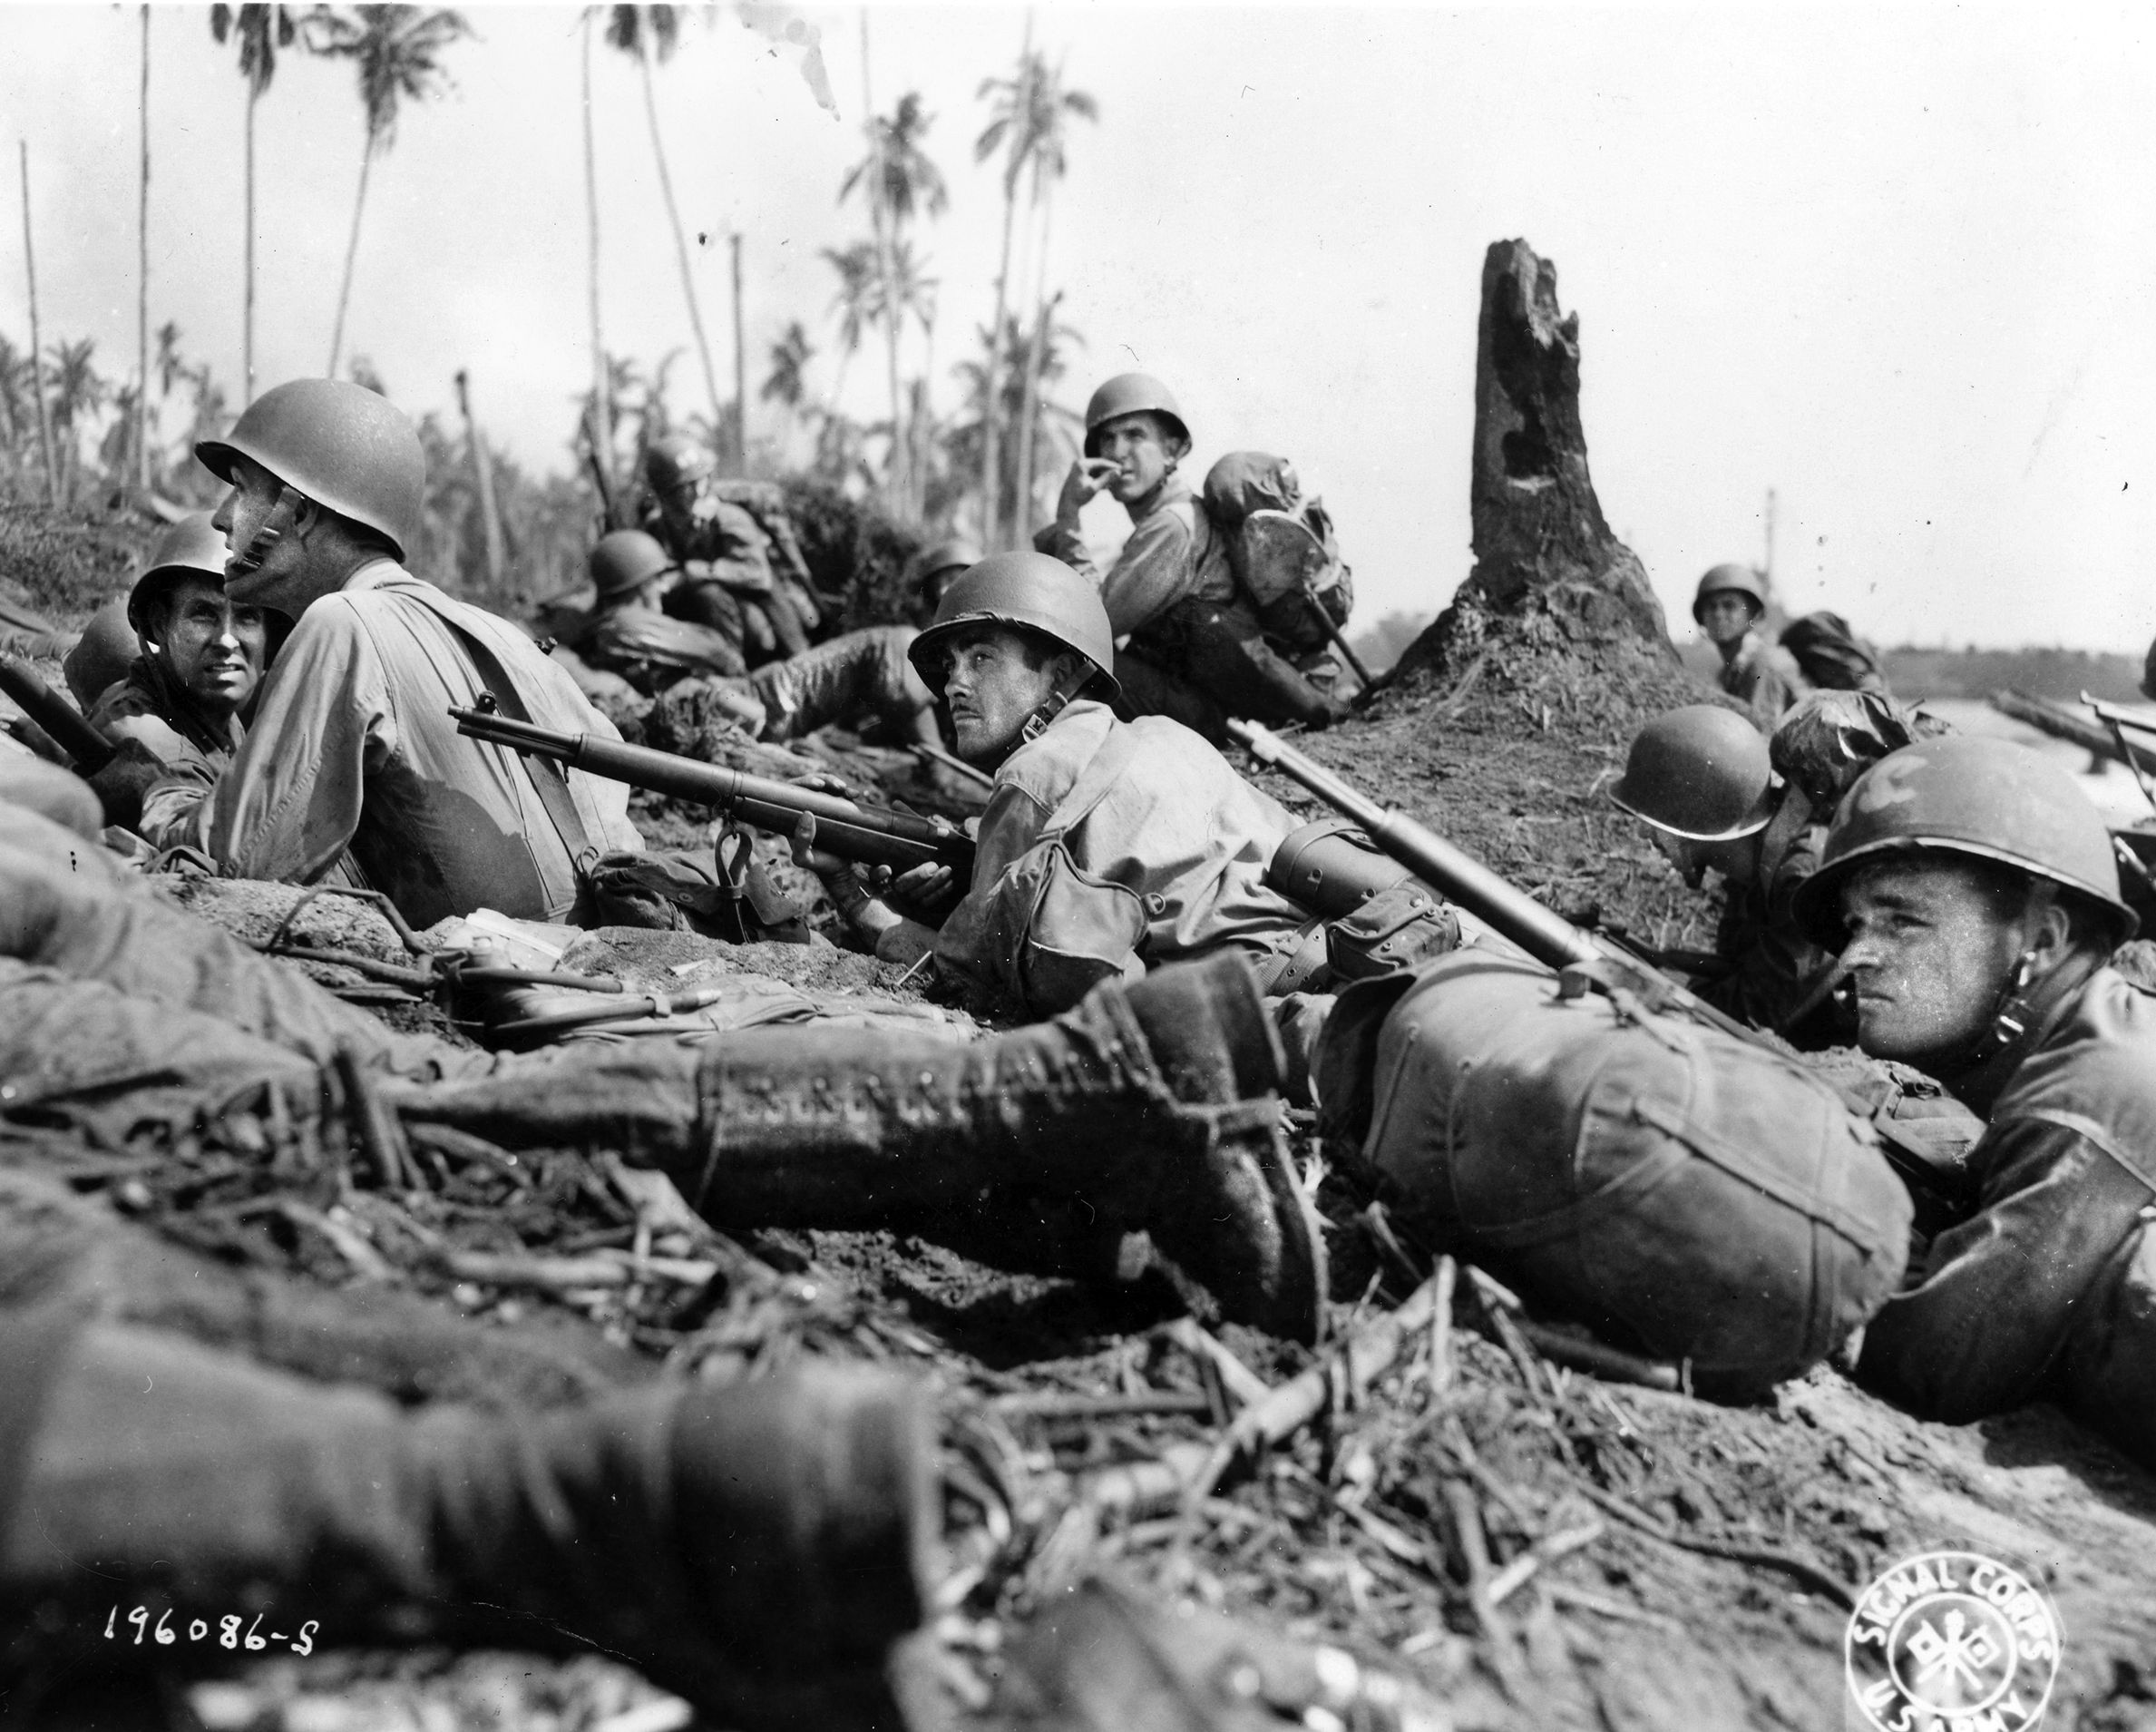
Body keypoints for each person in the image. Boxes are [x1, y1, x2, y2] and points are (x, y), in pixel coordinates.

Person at [0, 780, 1329, 1345]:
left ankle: (1075, 1109)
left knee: (436, 1120)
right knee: (439, 1102)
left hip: (51, 948)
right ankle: (1081, 1168)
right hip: (69, 921)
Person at [821, 552, 1456, 1020]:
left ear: (1062, 671)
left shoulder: (1035, 776)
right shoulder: (1166, 736)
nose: (955, 683)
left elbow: (962, 980)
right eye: (949, 666)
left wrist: (853, 898)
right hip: (1372, 955)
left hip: (1287, 1012)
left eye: (982, 657)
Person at [139, 378, 643, 928]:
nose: (222, 517)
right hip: (609, 957)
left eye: (241, 489)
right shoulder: (504, 636)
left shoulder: (344, 624)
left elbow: (240, 863)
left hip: (505, 980)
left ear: (298, 513)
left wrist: (163, 796)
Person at [1785, 736, 2156, 1463]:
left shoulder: (2091, 1092)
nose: (1855, 954)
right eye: (1857, 924)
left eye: (1903, 920)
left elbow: (1940, 1366)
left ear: (2039, 941)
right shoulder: (2084, 1036)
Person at [1034, 373, 1346, 737]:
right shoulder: (1175, 518)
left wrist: (1069, 516)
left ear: (1172, 450)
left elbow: (1091, 624)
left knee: (1071, 664)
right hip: (1206, 701)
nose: (1117, 452)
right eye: (1107, 438)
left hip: (1214, 715)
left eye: (1135, 435)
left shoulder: (1173, 526)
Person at [568, 528, 946, 752]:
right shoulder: (628, 625)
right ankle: (938, 764)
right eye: (656, 580)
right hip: (761, 698)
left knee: (885, 651)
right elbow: (715, 649)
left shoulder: (617, 629)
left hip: (751, 699)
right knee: (889, 645)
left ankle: (934, 757)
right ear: (641, 582)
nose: (661, 591)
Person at [83, 512, 270, 776]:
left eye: (247, 616)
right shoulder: (155, 749)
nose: (227, 640)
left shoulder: (215, 716)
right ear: (161, 624)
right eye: (204, 613)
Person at [641, 436, 825, 670]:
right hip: (707, 599)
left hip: (754, 590)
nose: (695, 492)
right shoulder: (657, 527)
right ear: (664, 495)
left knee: (794, 647)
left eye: (699, 482)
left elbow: (756, 574)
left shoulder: (727, 517)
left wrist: (696, 571)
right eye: (682, 489)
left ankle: (801, 664)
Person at [1693, 563, 1808, 725]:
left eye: (1729, 606)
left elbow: (1761, 735)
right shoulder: (1733, 670)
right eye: (1711, 607)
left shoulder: (1762, 663)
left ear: (1752, 614)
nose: (1718, 614)